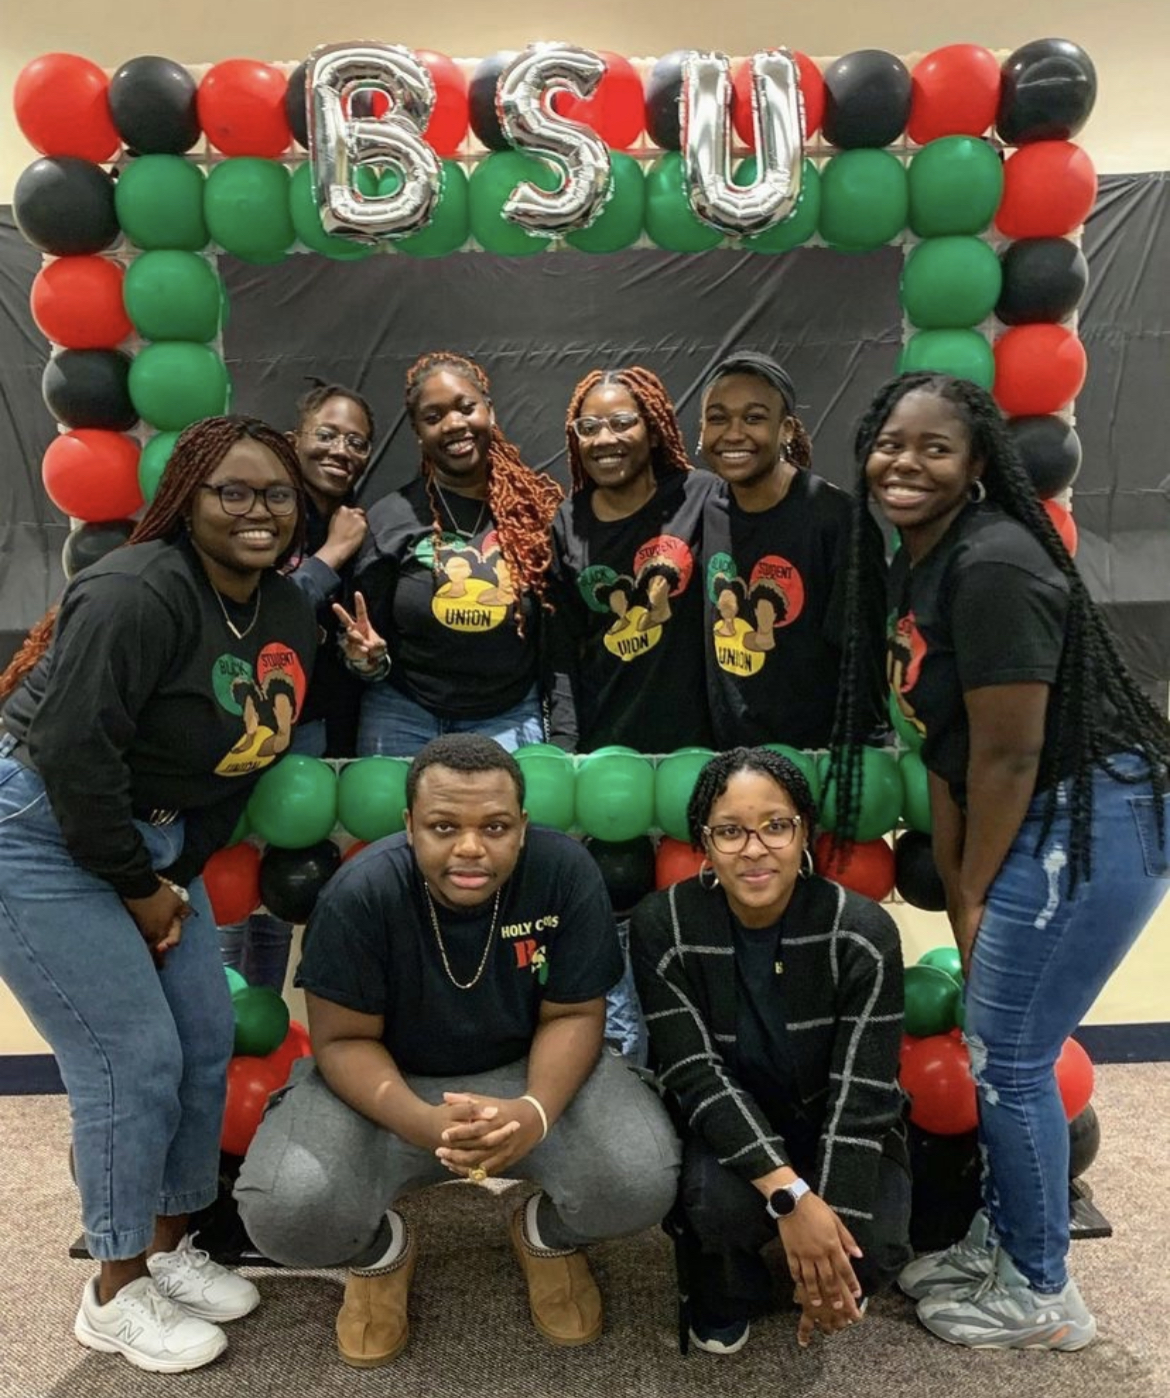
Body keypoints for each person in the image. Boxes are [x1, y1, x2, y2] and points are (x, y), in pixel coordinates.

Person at [830, 372, 1170, 1350]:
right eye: (891, 441)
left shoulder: (992, 565)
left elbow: (1008, 751)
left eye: (934, 447)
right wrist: (957, 871)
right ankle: (1010, 1239)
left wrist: (972, 887)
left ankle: (1041, 1290)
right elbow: (942, 737)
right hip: (1049, 815)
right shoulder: (920, 561)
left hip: (1091, 814)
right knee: (1000, 1047)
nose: (905, 461)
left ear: (977, 463)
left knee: (1012, 1059)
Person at [0, 416, 318, 1373]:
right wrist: (139, 887)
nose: (258, 511)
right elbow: (69, 752)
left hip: (155, 845)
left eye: (276, 495)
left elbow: (244, 762)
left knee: (203, 1043)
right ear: (187, 499)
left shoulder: (285, 612)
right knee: (129, 1059)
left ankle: (169, 1249)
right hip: (46, 831)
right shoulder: (135, 592)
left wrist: (173, 872)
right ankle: (111, 1290)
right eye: (234, 491)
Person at [234, 734, 680, 1367]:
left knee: (642, 1178)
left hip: (532, 1075)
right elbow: (343, 1040)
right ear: (409, 826)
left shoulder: (564, 873)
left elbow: (577, 1014)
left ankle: (543, 1236)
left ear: (522, 828)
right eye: (443, 826)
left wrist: (534, 1111)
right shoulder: (360, 892)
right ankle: (380, 1253)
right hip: (388, 1085)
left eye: (495, 826)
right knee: (284, 1213)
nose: (470, 848)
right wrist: (422, 1122)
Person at [630, 747, 909, 1355]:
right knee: (718, 1210)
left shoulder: (862, 932)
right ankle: (730, 1285)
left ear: (803, 832)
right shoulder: (664, 925)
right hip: (733, 1122)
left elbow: (861, 1098)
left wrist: (831, 1250)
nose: (754, 849)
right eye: (730, 831)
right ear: (704, 844)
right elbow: (695, 1075)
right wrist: (792, 1197)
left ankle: (821, 1270)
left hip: (832, 1118)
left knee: (872, 1254)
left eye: (775, 826)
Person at [218, 380, 375, 992]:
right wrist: (331, 555)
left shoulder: (356, 520)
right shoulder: (262, 515)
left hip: (319, 722)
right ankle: (228, 1024)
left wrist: (366, 660)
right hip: (249, 718)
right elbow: (262, 619)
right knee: (234, 874)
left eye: (356, 441)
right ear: (294, 441)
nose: (341, 450)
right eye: (328, 435)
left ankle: (263, 1012)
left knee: (286, 875)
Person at [339, 352, 564, 755]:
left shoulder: (533, 516)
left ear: (489, 412)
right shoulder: (392, 519)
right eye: (433, 416)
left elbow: (559, 639)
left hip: (508, 715)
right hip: (403, 713)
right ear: (417, 431)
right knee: (394, 821)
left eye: (466, 407)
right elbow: (368, 650)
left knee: (502, 820)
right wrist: (367, 662)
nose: (454, 424)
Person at [698, 351, 887, 750]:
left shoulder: (836, 521)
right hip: (732, 766)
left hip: (816, 765)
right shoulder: (706, 509)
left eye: (753, 418)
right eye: (718, 418)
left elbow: (862, 665)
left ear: (786, 430)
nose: (733, 434)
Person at [547, 365, 717, 753]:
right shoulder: (568, 522)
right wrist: (565, 743)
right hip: (608, 746)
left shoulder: (702, 498)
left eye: (622, 422)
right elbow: (562, 652)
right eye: (588, 428)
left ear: (655, 431)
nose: (604, 439)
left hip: (702, 745)